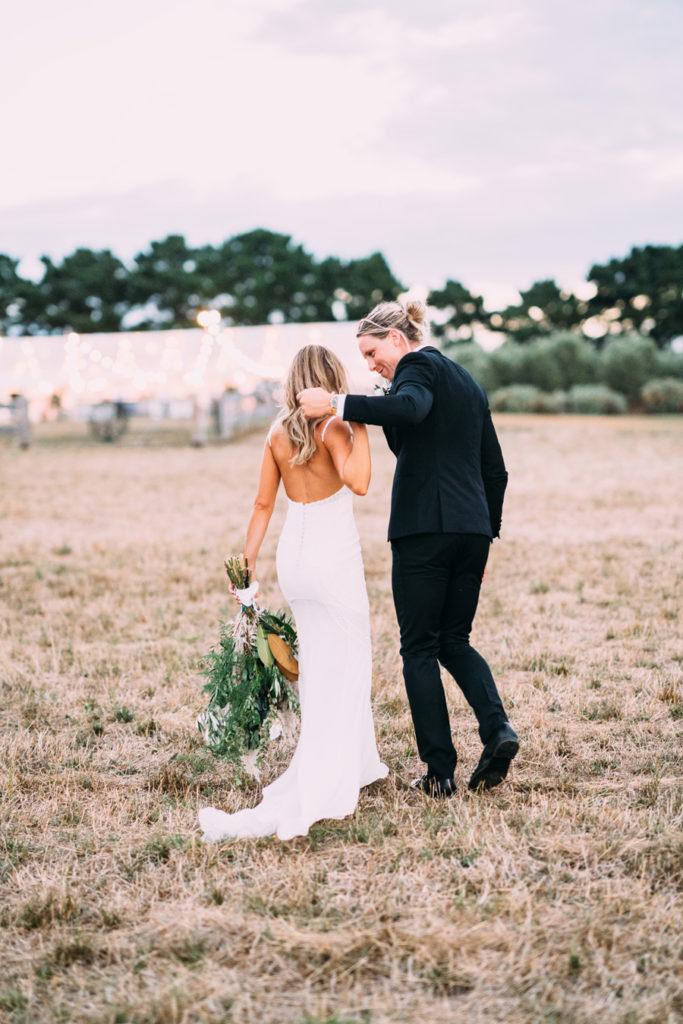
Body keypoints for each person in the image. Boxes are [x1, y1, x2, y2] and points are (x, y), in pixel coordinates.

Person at [297, 300, 519, 798]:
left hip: (424, 530)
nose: (370, 363)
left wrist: (338, 403)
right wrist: (485, 532)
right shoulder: (467, 380)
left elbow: (412, 407)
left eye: (373, 351)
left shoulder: (418, 368)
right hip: (472, 532)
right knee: (454, 641)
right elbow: (495, 471)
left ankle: (439, 772)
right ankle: (498, 731)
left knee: (419, 647)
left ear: (398, 338)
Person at [198, 345, 388, 842]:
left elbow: (263, 504)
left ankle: (355, 762)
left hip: (293, 560)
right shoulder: (336, 427)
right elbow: (361, 483)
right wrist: (362, 421)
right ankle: (333, 772)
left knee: (320, 663)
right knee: (346, 661)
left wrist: (247, 562)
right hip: (331, 557)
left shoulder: (277, 433)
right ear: (329, 382)